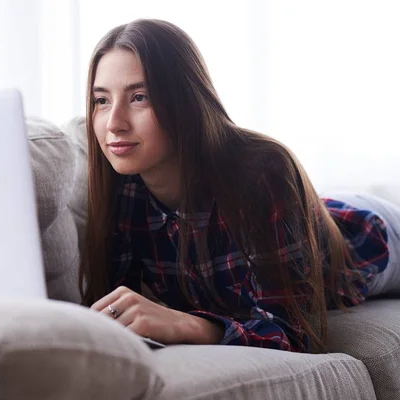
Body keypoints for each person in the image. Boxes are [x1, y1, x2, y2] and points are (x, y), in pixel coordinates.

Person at [78, 19, 399, 353]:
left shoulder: (263, 171)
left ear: (185, 99)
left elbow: (291, 335)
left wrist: (188, 324)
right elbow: (111, 316)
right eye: (101, 101)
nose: (114, 124)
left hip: (368, 235)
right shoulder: (120, 187)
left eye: (139, 97)